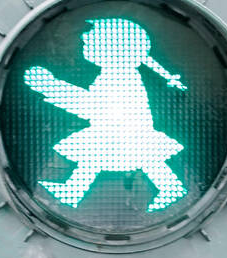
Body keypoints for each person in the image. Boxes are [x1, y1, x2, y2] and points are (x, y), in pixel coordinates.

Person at [24, 17, 188, 211]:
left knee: (132, 158)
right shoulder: (118, 73)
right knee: (99, 158)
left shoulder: (118, 77)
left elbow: (92, 106)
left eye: (92, 37)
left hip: (125, 133)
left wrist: (52, 88)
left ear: (114, 48)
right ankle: (72, 191)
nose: (85, 38)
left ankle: (171, 187)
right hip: (120, 132)